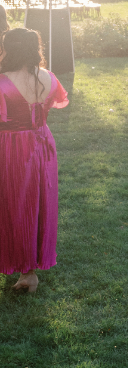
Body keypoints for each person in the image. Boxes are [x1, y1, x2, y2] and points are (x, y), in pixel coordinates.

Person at [0, 27, 69, 292]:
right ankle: (29, 269)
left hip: (12, 147)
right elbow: (50, 105)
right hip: (43, 144)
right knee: (39, 201)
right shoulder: (49, 77)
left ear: (10, 49)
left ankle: (25, 269)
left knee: (13, 203)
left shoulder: (3, 81)